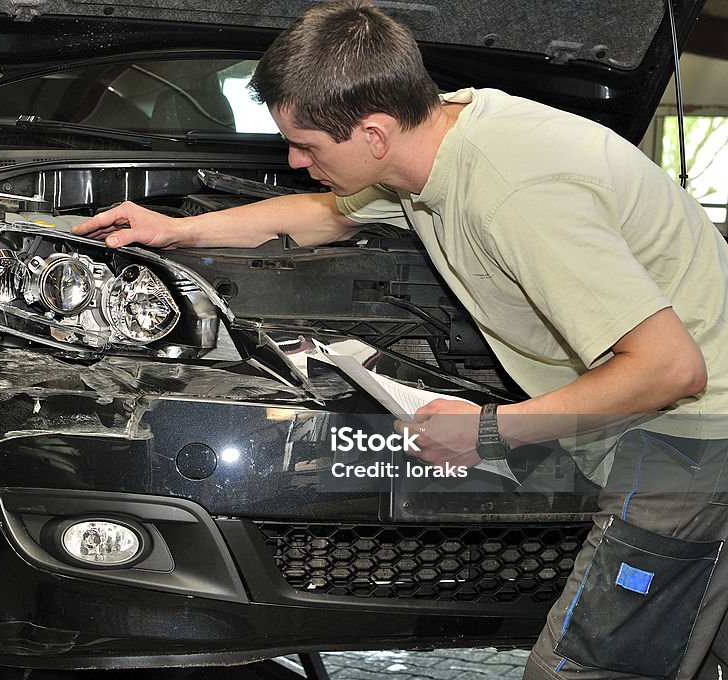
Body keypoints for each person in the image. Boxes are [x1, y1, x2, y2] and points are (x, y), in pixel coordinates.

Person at [72, 1, 728, 678]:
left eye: (308, 146)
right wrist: (176, 231)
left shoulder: (516, 193)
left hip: (694, 441)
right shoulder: (434, 138)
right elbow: (325, 215)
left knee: (591, 665)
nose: (295, 162)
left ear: (374, 132)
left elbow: (671, 369)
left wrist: (489, 430)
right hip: (652, 430)